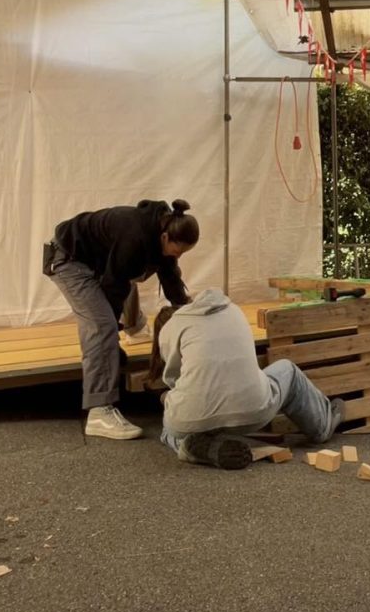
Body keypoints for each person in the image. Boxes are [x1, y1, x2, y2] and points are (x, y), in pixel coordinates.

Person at [44, 199, 199, 440]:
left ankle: (134, 328)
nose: (178, 255)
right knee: (101, 325)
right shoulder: (134, 237)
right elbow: (113, 288)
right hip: (68, 260)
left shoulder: (164, 229)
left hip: (98, 260)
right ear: (165, 237)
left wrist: (189, 313)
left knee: (135, 274)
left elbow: (170, 277)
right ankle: (99, 411)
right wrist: (111, 342)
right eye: (178, 250)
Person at [153, 292, 344, 470]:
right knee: (288, 370)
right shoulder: (232, 309)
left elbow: (174, 379)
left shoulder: (171, 328)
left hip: (193, 419)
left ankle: (188, 446)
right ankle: (322, 426)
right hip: (253, 413)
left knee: (170, 429)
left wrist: (168, 398)